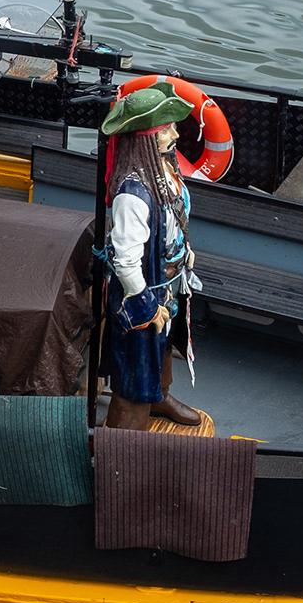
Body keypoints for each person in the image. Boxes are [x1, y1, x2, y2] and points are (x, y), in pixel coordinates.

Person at [100, 83, 203, 431]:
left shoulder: (164, 168)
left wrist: (184, 252)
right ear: (145, 139)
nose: (175, 135)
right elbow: (126, 261)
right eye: (166, 130)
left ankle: (160, 396)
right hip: (142, 292)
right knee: (136, 367)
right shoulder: (133, 193)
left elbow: (173, 218)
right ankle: (124, 438)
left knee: (163, 346)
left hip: (168, 282)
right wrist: (146, 305)